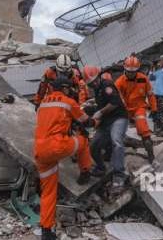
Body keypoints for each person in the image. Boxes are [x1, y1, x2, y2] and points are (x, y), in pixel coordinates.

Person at [34, 77, 95, 240]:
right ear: (64, 88)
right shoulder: (68, 102)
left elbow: (50, 123)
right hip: (57, 146)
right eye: (69, 88)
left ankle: (46, 231)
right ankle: (85, 171)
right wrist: (94, 120)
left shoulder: (43, 104)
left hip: (40, 151)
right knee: (83, 140)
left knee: (48, 192)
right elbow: (86, 121)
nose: (71, 91)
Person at [83, 66, 129, 187]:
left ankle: (119, 174)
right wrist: (93, 108)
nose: (94, 83)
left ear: (99, 76)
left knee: (116, 141)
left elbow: (114, 103)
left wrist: (100, 112)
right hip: (106, 121)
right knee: (93, 146)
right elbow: (102, 103)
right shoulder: (96, 89)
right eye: (91, 83)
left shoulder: (107, 85)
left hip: (118, 117)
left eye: (95, 81)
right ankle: (101, 168)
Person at [115, 55, 157, 163]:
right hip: (124, 110)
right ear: (125, 69)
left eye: (134, 71)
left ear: (138, 69)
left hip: (139, 108)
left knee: (144, 132)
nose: (131, 74)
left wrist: (154, 109)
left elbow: (150, 95)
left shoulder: (143, 78)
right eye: (129, 71)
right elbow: (115, 99)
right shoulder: (119, 82)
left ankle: (151, 156)